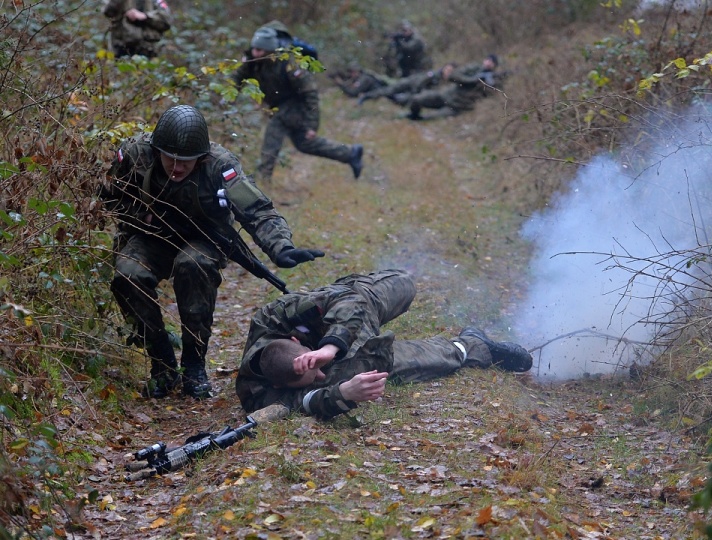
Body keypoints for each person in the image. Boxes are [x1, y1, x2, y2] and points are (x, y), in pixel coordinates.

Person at [99, 104, 326, 400]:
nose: (177, 167)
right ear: (157, 150)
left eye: (187, 161)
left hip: (203, 238)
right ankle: (162, 363)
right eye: (171, 158)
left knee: (193, 265)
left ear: (201, 157)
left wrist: (281, 248)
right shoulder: (134, 154)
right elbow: (106, 195)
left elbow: (257, 211)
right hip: (151, 236)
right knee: (128, 276)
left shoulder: (220, 166)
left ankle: (194, 363)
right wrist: (141, 217)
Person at [235, 269, 533, 418]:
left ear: (295, 340)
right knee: (374, 365)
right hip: (346, 356)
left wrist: (329, 347)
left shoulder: (275, 317)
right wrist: (341, 393)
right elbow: (300, 404)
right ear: (283, 385)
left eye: (317, 369)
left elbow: (348, 300)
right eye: (313, 378)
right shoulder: (258, 394)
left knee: (403, 284)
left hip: (345, 316)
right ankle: (470, 346)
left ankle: (344, 341)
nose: (321, 374)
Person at [233, 21, 364, 182]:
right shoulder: (252, 62)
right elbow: (236, 79)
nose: (255, 52)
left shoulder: (290, 63)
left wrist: (312, 125)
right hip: (279, 105)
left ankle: (262, 180)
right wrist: (228, 96)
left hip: (296, 105)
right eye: (254, 49)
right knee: (304, 144)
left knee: (274, 129)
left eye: (259, 50)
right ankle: (350, 153)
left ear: (270, 49)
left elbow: (310, 94)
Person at [406, 55, 501, 121]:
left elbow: (491, 95)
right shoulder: (473, 68)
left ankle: (414, 118)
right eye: (488, 60)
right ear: (484, 60)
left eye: (492, 62)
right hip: (445, 96)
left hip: (457, 107)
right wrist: (471, 80)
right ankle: (411, 114)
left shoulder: (492, 80)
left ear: (494, 66)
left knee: (426, 118)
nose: (489, 63)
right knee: (416, 100)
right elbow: (454, 75)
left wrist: (486, 83)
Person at [357, 63, 456, 106]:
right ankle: (366, 96)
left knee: (397, 99)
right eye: (447, 69)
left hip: (413, 90)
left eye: (450, 71)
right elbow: (421, 81)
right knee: (389, 89)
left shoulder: (446, 81)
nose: (447, 72)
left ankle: (373, 89)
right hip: (411, 83)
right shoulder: (435, 74)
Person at [102, 0, 173, 58]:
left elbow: (167, 20)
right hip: (121, 49)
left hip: (147, 50)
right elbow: (108, 12)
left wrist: (146, 16)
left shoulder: (157, 1)